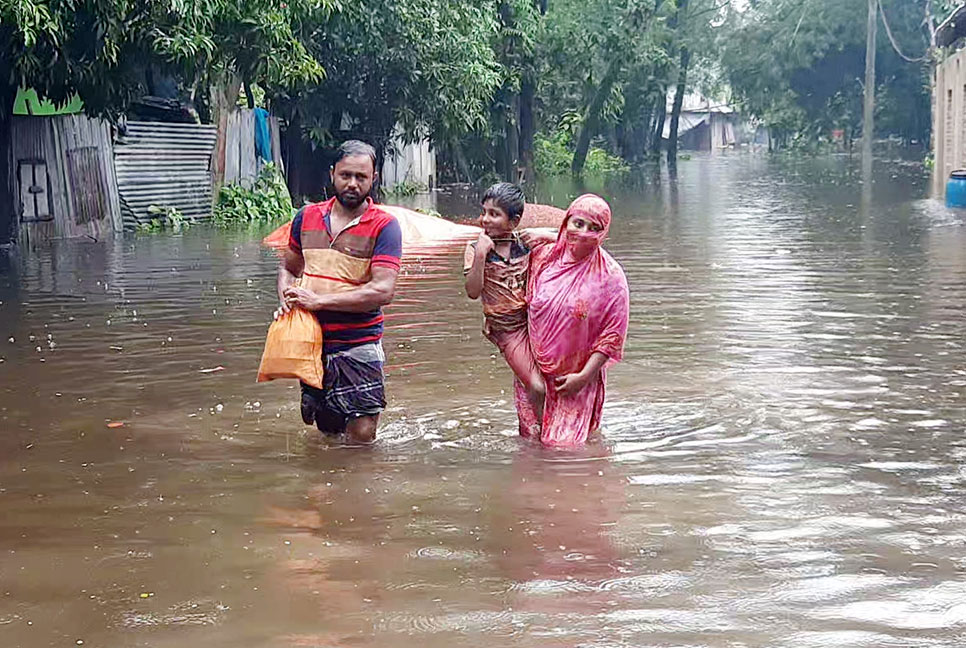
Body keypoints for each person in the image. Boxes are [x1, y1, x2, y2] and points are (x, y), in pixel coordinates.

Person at [275, 140, 402, 445]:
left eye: (361, 177)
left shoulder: (385, 226)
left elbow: (383, 290)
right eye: (346, 175)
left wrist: (319, 301)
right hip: (311, 341)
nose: (353, 184)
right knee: (328, 432)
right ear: (332, 174)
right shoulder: (306, 217)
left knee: (362, 435)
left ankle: (359, 490)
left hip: (359, 342)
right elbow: (290, 269)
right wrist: (288, 300)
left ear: (374, 179)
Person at [520, 194, 629, 447]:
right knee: (532, 446)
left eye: (594, 228)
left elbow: (612, 336)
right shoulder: (543, 258)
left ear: (604, 233)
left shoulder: (610, 277)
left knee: (564, 451)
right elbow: (509, 288)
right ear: (566, 221)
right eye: (578, 223)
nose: (583, 233)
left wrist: (582, 377)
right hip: (534, 375)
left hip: (576, 380)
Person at [463, 183, 546, 428]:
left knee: (552, 380)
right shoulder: (475, 249)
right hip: (506, 329)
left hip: (535, 324)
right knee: (537, 386)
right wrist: (480, 255)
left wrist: (548, 237)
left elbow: (568, 246)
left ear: (514, 221)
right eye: (484, 212)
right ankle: (549, 437)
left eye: (494, 214)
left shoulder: (525, 244)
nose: (485, 219)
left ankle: (542, 433)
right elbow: (472, 292)